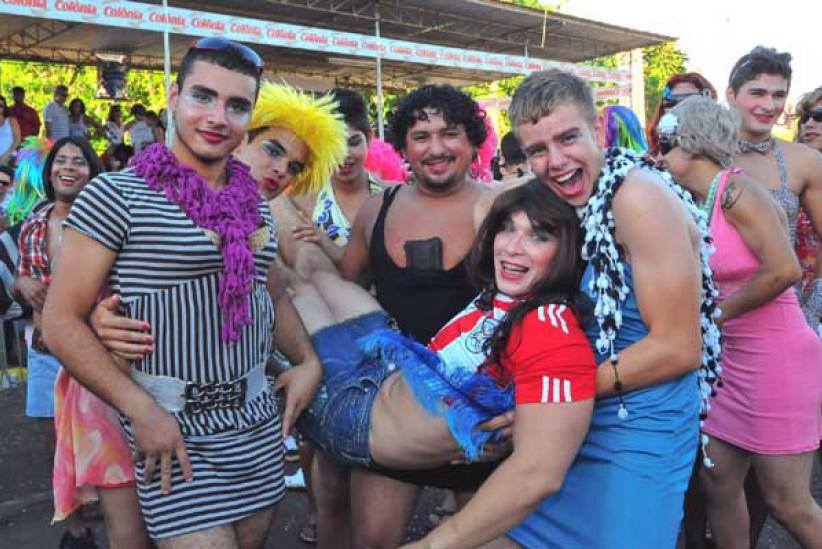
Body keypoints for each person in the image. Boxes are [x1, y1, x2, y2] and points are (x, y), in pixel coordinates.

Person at [42, 39, 322, 548]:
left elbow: (273, 294)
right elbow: (60, 322)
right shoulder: (115, 195)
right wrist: (142, 411)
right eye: (203, 97)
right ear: (174, 97)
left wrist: (307, 362)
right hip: (171, 430)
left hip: (256, 424)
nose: (217, 117)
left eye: (236, 105)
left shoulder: (254, 203)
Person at [294, 181, 596, 548]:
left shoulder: (551, 331)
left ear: (567, 251)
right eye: (507, 228)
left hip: (353, 413)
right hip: (385, 370)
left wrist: (431, 545)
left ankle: (253, 194)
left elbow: (539, 473)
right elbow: (486, 205)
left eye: (538, 236)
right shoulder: (508, 291)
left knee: (300, 282)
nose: (512, 247)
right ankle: (257, 189)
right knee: (319, 277)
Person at [498, 68, 721, 548]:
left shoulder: (636, 198)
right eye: (538, 150)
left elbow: (679, 348)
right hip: (581, 419)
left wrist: (550, 399)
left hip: (639, 434)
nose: (556, 161)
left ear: (599, 128)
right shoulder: (583, 196)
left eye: (567, 138)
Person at [325, 84, 490, 548]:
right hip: (395, 408)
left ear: (472, 141)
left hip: (483, 413)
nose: (436, 148)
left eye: (450, 133)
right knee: (374, 539)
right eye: (421, 136)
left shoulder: (501, 208)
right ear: (403, 146)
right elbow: (346, 288)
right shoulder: (377, 210)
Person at [658, 95, 822, 549]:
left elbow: (785, 269)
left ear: (692, 144)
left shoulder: (738, 193)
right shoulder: (698, 200)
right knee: (718, 484)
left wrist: (715, 316)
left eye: (667, 145)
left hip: (777, 358)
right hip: (728, 365)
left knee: (788, 502)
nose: (660, 157)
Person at [15, 136, 146, 549]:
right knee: (56, 443)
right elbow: (22, 277)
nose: (69, 168)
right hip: (44, 353)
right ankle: (77, 532)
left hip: (95, 355)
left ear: (93, 172)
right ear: (50, 170)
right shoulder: (34, 223)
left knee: (111, 451)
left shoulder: (106, 222)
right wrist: (21, 283)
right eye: (61, 161)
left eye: (79, 161)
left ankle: (123, 519)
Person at [288, 88, 385, 263]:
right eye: (333, 146)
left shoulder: (394, 196)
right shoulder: (301, 203)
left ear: (369, 138)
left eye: (353, 142)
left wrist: (326, 242)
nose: (344, 155)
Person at [794, 86, 822, 332]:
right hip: (785, 300)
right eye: (805, 117)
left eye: (820, 116)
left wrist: (814, 307)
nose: (810, 123)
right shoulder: (787, 174)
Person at [647, 72, 717, 156]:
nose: (679, 110)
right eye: (672, 103)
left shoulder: (725, 155)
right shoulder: (652, 158)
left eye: (690, 102)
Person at [0, 94, 22, 167]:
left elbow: (17, 140)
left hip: (9, 159)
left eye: (0, 105)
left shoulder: (11, 120)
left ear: (4, 108)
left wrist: (6, 156)